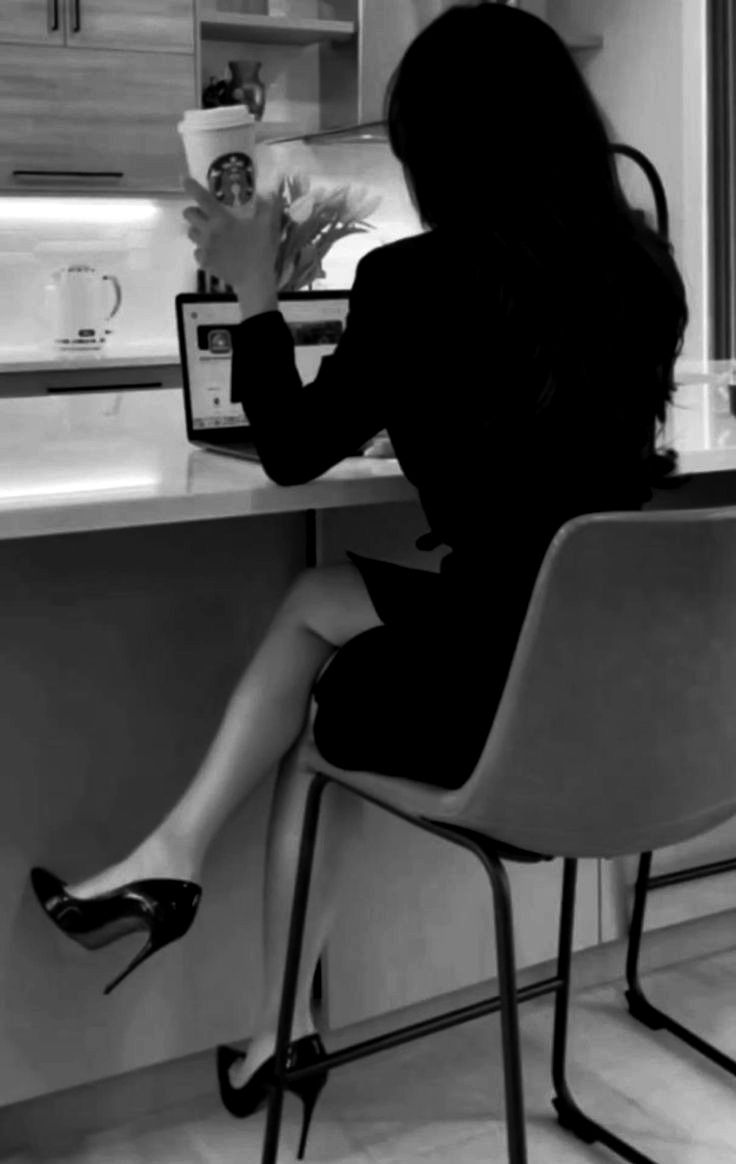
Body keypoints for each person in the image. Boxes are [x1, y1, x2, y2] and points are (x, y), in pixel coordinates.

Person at [30, 0, 688, 1147]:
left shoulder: (412, 282)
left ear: (439, 151)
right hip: (615, 702)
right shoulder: (641, 272)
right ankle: (173, 864)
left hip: (507, 708)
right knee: (316, 601)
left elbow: (291, 449)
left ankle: (277, 1020)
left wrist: (253, 290)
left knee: (330, 714)